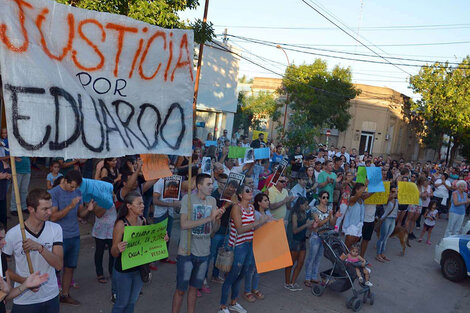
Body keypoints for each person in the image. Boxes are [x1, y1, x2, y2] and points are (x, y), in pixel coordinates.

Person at [4, 189, 64, 312]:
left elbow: (58, 265)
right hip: (24, 299)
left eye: (50, 207)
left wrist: (40, 248)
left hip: (51, 296)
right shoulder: (13, 234)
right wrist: (24, 282)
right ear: (31, 209)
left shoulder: (55, 229)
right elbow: (3, 268)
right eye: (44, 209)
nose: (49, 212)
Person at [172, 174, 224, 313]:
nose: (212, 186)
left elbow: (213, 231)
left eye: (212, 184)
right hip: (186, 252)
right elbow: (183, 224)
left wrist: (217, 219)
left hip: (204, 252)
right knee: (181, 290)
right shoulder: (188, 199)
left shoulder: (213, 200)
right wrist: (208, 218)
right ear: (199, 186)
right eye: (208, 184)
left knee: (194, 289)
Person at [111, 191, 167, 313]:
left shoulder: (143, 220)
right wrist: (118, 248)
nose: (143, 206)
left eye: (142, 203)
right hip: (123, 272)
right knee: (121, 303)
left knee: (131, 303)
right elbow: (113, 252)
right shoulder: (121, 224)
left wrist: (161, 240)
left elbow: (147, 244)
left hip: (139, 270)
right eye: (139, 203)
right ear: (129, 206)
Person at [218, 185, 267, 313]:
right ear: (240, 195)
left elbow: (252, 228)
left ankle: (233, 302)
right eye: (247, 191)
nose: (250, 192)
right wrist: (258, 222)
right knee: (232, 276)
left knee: (242, 274)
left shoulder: (251, 208)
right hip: (238, 246)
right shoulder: (236, 208)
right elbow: (240, 229)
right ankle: (223, 306)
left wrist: (262, 222)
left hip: (249, 244)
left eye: (251, 190)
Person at [49, 170, 93, 305]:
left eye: (76, 187)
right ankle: (50, 298)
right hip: (58, 237)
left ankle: (65, 294)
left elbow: (81, 214)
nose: (73, 189)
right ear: (65, 181)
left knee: (70, 267)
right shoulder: (54, 193)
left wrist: (89, 209)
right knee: (54, 269)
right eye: (71, 186)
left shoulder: (78, 192)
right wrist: (70, 206)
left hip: (74, 235)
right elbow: (53, 217)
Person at [304, 191, 340, 287]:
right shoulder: (314, 209)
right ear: (319, 198)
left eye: (327, 197)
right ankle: (307, 278)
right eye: (324, 197)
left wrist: (335, 217)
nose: (325, 200)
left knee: (318, 258)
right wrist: (328, 218)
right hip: (316, 236)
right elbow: (318, 223)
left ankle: (314, 277)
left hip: (325, 237)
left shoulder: (329, 209)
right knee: (311, 257)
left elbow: (332, 224)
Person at [244, 193, 271, 301]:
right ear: (259, 202)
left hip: (263, 243)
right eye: (265, 200)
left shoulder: (267, 212)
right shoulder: (255, 214)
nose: (267, 202)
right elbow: (254, 228)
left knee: (259, 268)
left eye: (267, 200)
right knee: (251, 268)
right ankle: (247, 291)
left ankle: (254, 289)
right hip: (255, 243)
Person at [92, 177, 117, 287]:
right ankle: (100, 273)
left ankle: (112, 271)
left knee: (113, 251)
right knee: (99, 251)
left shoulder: (113, 195)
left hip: (112, 228)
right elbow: (98, 213)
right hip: (100, 229)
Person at [152, 164, 180, 265]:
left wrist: (176, 204)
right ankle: (152, 261)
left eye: (173, 169)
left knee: (168, 235)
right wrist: (169, 204)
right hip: (160, 214)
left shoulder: (175, 182)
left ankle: (164, 257)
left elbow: (175, 199)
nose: (172, 171)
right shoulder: (159, 182)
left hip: (170, 213)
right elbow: (154, 200)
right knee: (158, 236)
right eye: (170, 169)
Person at [285, 197, 313, 291]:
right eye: (305, 204)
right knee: (291, 263)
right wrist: (306, 225)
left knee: (301, 262)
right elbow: (295, 230)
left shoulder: (304, 213)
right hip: (295, 240)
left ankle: (293, 282)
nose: (307, 206)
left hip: (302, 240)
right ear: (300, 205)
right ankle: (287, 282)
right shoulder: (294, 214)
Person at [376, 185, 398, 263]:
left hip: (393, 220)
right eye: (392, 191)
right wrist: (392, 196)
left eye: (396, 191)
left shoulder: (396, 200)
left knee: (386, 238)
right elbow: (386, 201)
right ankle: (378, 254)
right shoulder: (387, 200)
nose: (394, 193)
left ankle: (382, 253)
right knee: (382, 237)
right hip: (386, 219)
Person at [342, 183, 366, 249]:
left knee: (353, 248)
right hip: (351, 226)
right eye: (362, 189)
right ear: (356, 190)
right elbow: (357, 196)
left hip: (359, 226)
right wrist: (366, 185)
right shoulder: (352, 199)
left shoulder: (361, 199)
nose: (364, 191)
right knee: (346, 248)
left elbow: (370, 194)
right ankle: (343, 259)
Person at [0, 159, 11, 227]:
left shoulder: (2, 162)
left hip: (2, 195)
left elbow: (9, 174)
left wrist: (4, 175)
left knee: (3, 217)